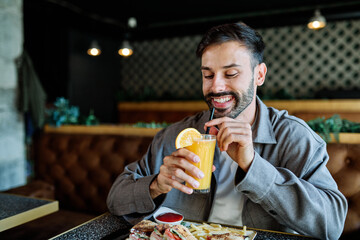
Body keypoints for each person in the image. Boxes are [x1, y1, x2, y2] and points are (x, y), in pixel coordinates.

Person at [107, 22, 347, 240]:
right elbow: (115, 199)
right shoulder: (176, 135)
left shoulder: (293, 137)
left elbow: (332, 225)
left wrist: (254, 166)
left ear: (259, 75)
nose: (216, 86)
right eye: (208, 75)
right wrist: (157, 185)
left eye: (231, 74)